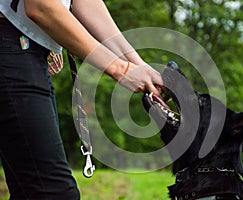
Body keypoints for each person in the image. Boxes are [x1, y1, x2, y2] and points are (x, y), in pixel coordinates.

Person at [0, 0, 163, 199]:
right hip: (10, 47)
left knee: (31, 192)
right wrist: (120, 69)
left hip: (24, 50)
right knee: (55, 193)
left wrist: (137, 64)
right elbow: (41, 6)